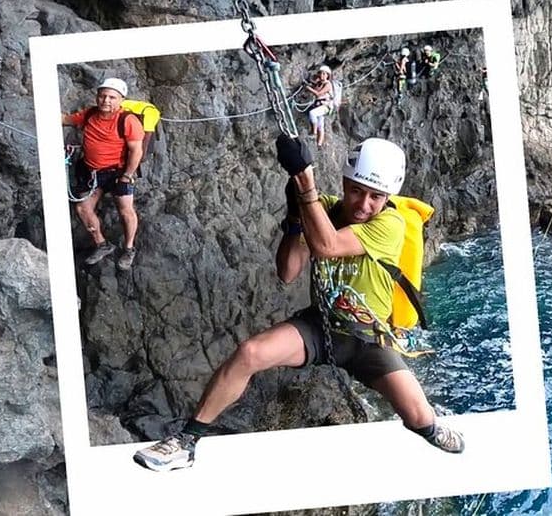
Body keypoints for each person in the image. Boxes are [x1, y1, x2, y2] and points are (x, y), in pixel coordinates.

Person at [133, 134, 465, 472]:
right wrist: (295, 220)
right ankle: (186, 442)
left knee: (419, 420)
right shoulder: (324, 210)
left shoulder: (390, 223)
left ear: (387, 198)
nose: (364, 205)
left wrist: (305, 184)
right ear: (345, 182)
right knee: (250, 353)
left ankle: (433, 426)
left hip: (368, 340)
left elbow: (329, 246)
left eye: (375, 197)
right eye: (356, 191)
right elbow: (288, 272)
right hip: (320, 327)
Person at [62, 77, 144, 270]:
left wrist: (127, 175)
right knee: (82, 209)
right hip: (92, 171)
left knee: (125, 210)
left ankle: (129, 248)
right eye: (102, 96)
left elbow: (136, 151)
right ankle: (102, 244)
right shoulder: (89, 114)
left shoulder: (128, 121)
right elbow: (66, 119)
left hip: (118, 172)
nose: (106, 101)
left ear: (121, 100)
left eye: (112, 97)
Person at [304, 65, 334, 147]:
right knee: (320, 125)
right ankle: (319, 144)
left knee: (312, 113)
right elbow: (315, 88)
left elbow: (318, 94)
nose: (322, 75)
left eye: (324, 74)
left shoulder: (328, 84)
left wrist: (309, 88)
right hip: (319, 105)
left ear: (327, 75)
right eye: (321, 73)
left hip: (325, 106)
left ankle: (314, 132)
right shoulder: (319, 83)